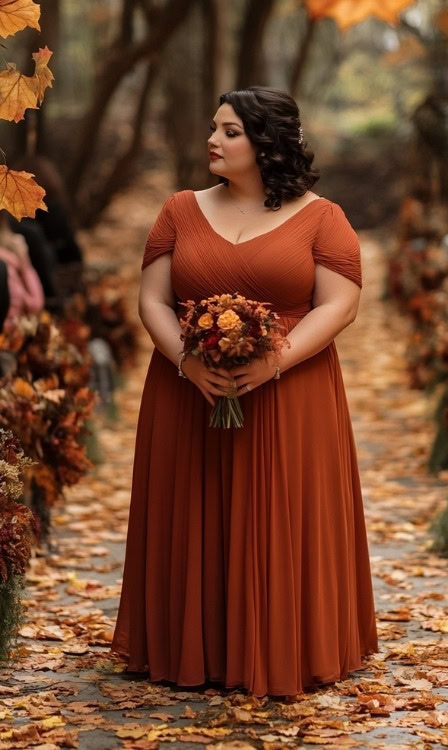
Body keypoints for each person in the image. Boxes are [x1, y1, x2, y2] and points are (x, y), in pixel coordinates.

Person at [110, 86, 378, 697]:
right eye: (214, 128)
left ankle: (285, 646)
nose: (213, 140)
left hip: (291, 394)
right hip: (187, 392)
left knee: (281, 514)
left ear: (266, 143)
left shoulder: (323, 217)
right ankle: (188, 650)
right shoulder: (179, 210)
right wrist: (186, 362)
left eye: (229, 131)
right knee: (193, 506)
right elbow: (151, 299)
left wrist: (274, 361)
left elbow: (341, 305)